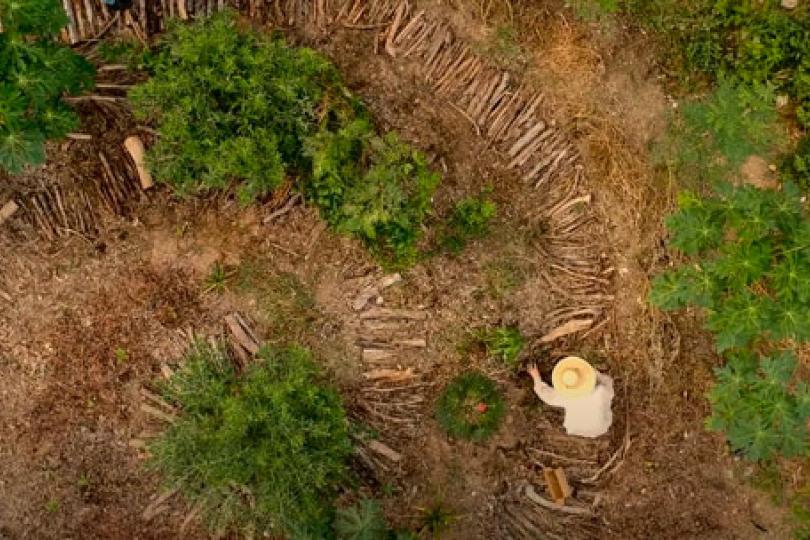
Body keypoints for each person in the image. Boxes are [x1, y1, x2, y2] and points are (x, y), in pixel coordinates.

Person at [527, 357, 614, 438]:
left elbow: (547, 395)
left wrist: (536, 377)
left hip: (576, 429)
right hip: (602, 427)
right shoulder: (600, 391)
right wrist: (593, 373)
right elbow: (608, 382)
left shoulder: (565, 397)